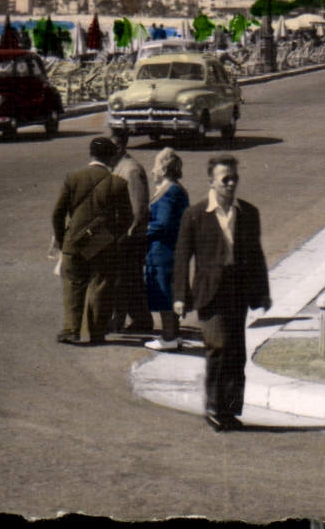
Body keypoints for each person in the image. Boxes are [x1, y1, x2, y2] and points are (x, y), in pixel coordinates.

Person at [173, 155, 272, 432]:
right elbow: (182, 258)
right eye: (224, 179)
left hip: (237, 289)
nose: (230, 183)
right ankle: (215, 407)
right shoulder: (195, 214)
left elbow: (256, 255)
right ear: (211, 181)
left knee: (236, 351)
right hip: (209, 292)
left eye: (234, 178)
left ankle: (230, 410)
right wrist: (180, 295)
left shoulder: (248, 213)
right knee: (218, 345)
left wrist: (262, 293)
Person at [51, 137, 135, 345]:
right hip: (103, 245)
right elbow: (127, 218)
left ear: (91, 154)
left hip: (74, 241)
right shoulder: (118, 183)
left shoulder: (73, 178)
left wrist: (63, 240)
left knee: (73, 284)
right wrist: (110, 236)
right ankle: (97, 332)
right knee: (101, 286)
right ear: (111, 157)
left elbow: (57, 213)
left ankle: (71, 329)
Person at [143, 148, 191, 351]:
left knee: (164, 293)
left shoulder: (169, 192)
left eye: (155, 166)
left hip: (163, 250)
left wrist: (144, 230)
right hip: (169, 249)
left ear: (163, 170)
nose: (152, 170)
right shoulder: (174, 189)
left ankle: (168, 337)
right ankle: (174, 335)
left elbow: (162, 223)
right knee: (170, 291)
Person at [109, 131, 154, 335]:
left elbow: (138, 207)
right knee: (130, 280)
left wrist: (129, 234)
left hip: (130, 238)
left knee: (126, 279)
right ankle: (139, 320)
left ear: (120, 147)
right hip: (122, 235)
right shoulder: (118, 167)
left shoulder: (131, 170)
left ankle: (125, 321)